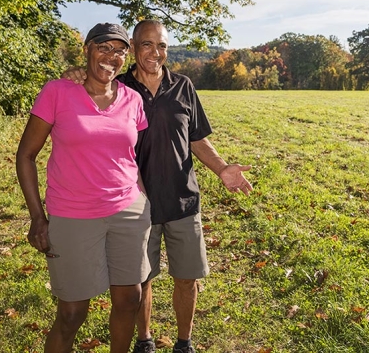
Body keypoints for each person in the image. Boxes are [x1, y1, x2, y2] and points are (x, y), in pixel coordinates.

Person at [64, 19, 252, 353]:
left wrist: (222, 168)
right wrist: (76, 74)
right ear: (134, 48)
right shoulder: (117, 87)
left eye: (162, 45)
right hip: (135, 204)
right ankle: (145, 340)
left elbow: (197, 139)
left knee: (187, 277)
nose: (155, 52)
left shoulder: (183, 86)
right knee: (140, 280)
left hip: (183, 200)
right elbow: (84, 92)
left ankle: (184, 342)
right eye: (147, 44)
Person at [16, 22, 152, 353]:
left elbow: (132, 157)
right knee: (72, 313)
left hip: (129, 212)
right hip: (73, 215)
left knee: (129, 299)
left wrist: (145, 202)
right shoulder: (58, 92)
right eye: (104, 47)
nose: (112, 56)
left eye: (120, 51)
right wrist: (37, 216)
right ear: (87, 50)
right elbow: (26, 155)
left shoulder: (132, 99)